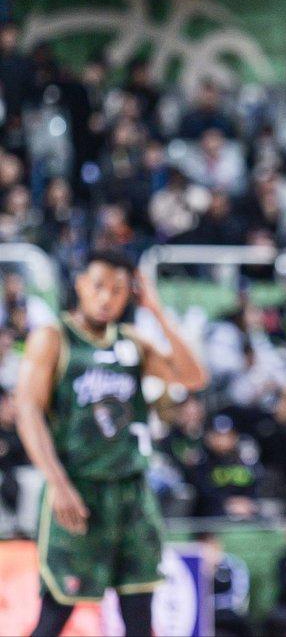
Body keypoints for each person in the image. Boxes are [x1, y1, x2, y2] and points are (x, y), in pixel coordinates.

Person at [14, 250, 208, 636]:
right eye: (99, 286)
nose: (107, 297)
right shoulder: (54, 338)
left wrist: (155, 310)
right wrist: (58, 483)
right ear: (80, 285)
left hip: (132, 492)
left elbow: (193, 377)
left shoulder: (131, 342)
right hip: (78, 490)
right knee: (55, 614)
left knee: (139, 615)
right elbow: (28, 412)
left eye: (118, 290)